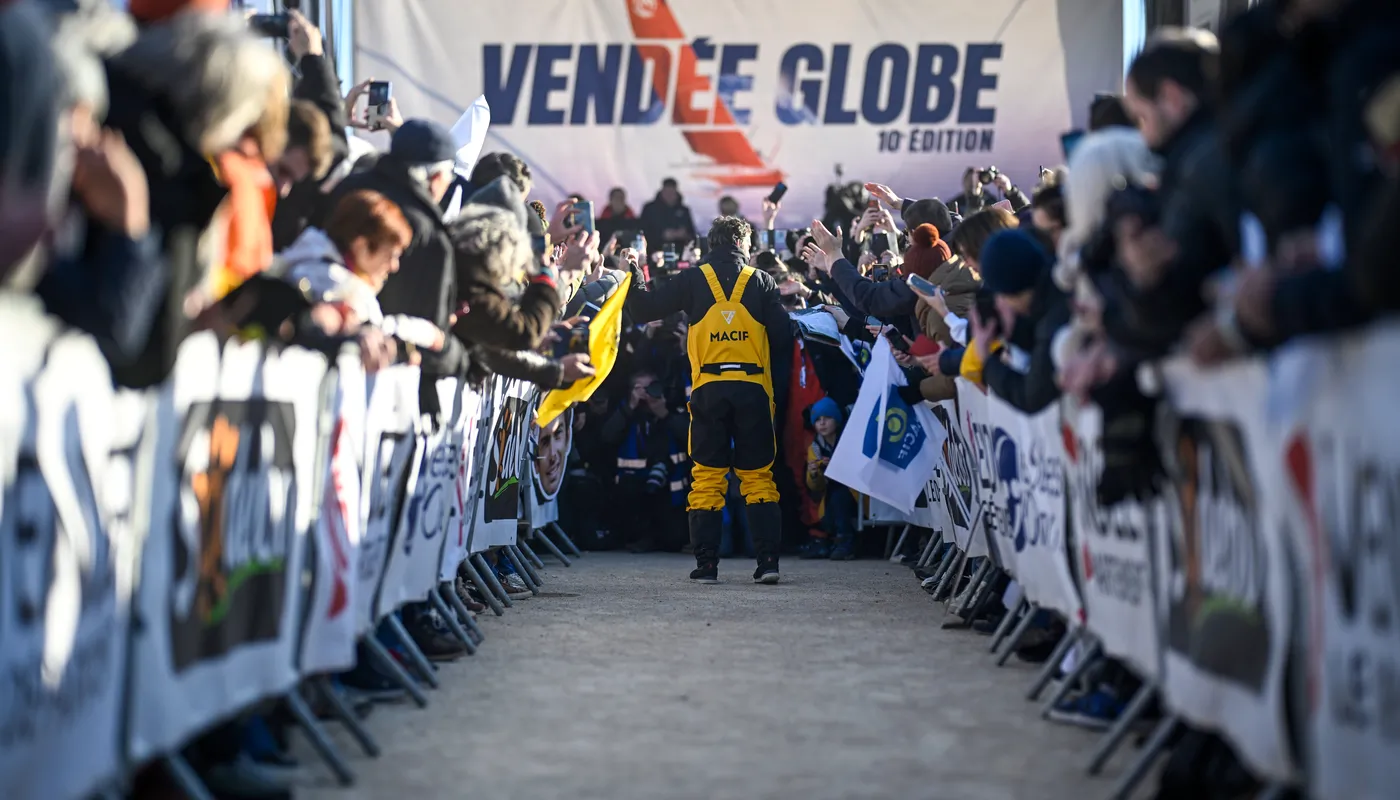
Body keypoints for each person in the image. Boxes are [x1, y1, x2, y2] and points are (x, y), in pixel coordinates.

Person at [625, 215, 792, 584]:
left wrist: (634, 271)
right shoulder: (761, 280)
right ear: (743, 244)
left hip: (708, 390)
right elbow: (782, 336)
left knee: (706, 477)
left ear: (711, 244)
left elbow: (642, 309)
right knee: (758, 477)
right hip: (753, 389)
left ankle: (707, 565)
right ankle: (768, 563)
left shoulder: (692, 278)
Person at [802, 397, 858, 560]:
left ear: (837, 420)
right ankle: (838, 541)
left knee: (839, 497)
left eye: (827, 418)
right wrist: (814, 473)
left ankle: (845, 542)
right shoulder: (815, 447)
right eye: (817, 420)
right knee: (832, 502)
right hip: (831, 495)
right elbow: (815, 487)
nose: (822, 423)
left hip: (855, 492)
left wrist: (836, 464)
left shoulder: (849, 440)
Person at [639, 176, 697, 252]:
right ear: (662, 192)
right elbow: (642, 231)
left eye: (672, 192)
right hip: (654, 251)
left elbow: (692, 235)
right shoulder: (649, 209)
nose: (669, 195)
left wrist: (683, 235)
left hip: (679, 251)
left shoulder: (684, 210)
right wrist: (662, 235)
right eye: (667, 192)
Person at [947, 166, 1030, 215]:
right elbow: (969, 227)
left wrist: (1010, 191)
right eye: (970, 179)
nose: (972, 183)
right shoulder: (955, 204)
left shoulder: (990, 200)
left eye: (975, 179)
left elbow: (1028, 214)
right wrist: (974, 196)